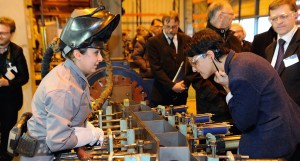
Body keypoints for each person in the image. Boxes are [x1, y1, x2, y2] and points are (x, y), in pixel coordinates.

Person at [20, 6, 120, 161]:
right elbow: (57, 141)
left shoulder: (75, 76)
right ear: (77, 54)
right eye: (96, 53)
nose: (100, 59)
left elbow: (71, 118)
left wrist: (80, 148)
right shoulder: (63, 88)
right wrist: (89, 136)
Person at [185, 28, 300, 160]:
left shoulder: (239, 75)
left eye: (194, 62)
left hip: (272, 141)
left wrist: (227, 90)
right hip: (282, 128)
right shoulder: (243, 59)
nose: (194, 68)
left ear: (210, 55)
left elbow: (243, 123)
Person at [147, 11, 192, 107]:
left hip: (181, 94)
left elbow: (191, 64)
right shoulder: (153, 42)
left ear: (178, 25)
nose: (171, 30)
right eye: (167, 27)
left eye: (174, 27)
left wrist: (185, 84)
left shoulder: (186, 40)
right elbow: (156, 69)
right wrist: (171, 85)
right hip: (161, 94)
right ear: (162, 25)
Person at [0, 17, 29, 161]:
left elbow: (24, 77)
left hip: (10, 101)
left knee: (7, 133)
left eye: (3, 33)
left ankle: (5, 157)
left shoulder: (16, 51)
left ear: (11, 34)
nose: (0, 36)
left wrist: (7, 83)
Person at [265, 0, 300, 107]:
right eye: (274, 18)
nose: (279, 22)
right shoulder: (269, 49)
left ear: (295, 15)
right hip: (274, 112)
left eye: (283, 16)